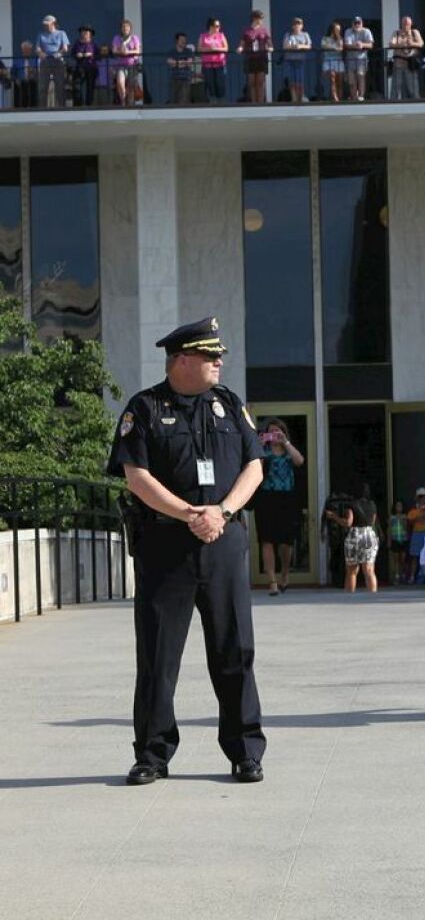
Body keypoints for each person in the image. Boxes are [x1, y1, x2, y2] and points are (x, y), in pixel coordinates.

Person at [107, 316, 267, 785]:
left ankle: (245, 752)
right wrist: (188, 513)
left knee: (235, 650)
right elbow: (136, 476)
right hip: (165, 546)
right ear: (181, 360)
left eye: (219, 355)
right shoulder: (147, 408)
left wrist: (220, 511)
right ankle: (152, 755)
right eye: (209, 355)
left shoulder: (229, 405)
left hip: (223, 543)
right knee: (158, 656)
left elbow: (255, 465)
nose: (219, 361)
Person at [252, 418, 305, 595]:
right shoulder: (264, 451)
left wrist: (286, 442)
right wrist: (258, 446)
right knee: (266, 540)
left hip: (287, 499)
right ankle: (272, 581)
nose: (273, 435)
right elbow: (253, 469)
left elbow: (300, 461)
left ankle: (285, 572)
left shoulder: (289, 451)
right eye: (270, 431)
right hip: (266, 498)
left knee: (285, 544)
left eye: (277, 431)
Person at [324, 483, 379, 592]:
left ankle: (350, 597)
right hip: (369, 535)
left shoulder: (352, 505)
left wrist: (334, 517)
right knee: (369, 570)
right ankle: (373, 596)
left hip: (355, 536)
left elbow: (348, 522)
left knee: (352, 571)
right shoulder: (372, 505)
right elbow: (373, 521)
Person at [238, 10, 272, 105]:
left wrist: (270, 48)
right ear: (255, 18)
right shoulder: (247, 31)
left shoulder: (264, 30)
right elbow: (242, 43)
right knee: (252, 82)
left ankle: (260, 103)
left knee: (260, 81)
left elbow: (269, 43)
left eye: (262, 19)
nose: (261, 20)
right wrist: (240, 48)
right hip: (250, 58)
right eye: (260, 18)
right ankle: (254, 103)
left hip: (261, 58)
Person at [35, 14, 70, 107]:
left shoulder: (61, 33)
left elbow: (65, 48)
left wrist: (58, 53)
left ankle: (62, 108)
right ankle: (42, 109)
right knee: (42, 87)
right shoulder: (41, 35)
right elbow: (37, 48)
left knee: (60, 86)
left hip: (58, 62)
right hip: (45, 62)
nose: (45, 26)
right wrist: (41, 54)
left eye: (48, 24)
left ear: (53, 23)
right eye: (45, 24)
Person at [389, 16, 424, 100]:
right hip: (398, 64)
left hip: (410, 65)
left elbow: (421, 44)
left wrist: (411, 43)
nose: (406, 25)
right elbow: (391, 44)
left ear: (411, 24)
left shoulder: (414, 32)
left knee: (413, 89)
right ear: (401, 24)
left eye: (408, 24)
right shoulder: (396, 33)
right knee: (395, 89)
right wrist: (401, 45)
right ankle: (392, 106)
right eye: (404, 23)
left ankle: (416, 105)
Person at [406, 488, 425, 584]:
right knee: (415, 556)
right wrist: (419, 515)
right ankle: (412, 577)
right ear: (420, 498)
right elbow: (409, 520)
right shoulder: (414, 510)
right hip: (416, 534)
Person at [281, 17, 312, 105]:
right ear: (292, 26)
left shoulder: (305, 34)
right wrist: (293, 47)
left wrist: (300, 46)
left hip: (300, 60)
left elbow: (309, 46)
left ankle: (300, 98)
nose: (297, 25)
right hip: (290, 60)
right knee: (292, 80)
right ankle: (294, 98)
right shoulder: (288, 35)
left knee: (300, 80)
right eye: (295, 24)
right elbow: (285, 46)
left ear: (302, 26)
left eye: (299, 24)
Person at [112, 19, 142, 106]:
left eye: (127, 27)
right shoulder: (117, 38)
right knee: (120, 83)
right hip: (121, 65)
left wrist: (128, 52)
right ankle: (123, 101)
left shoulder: (134, 38)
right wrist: (121, 52)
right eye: (123, 27)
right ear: (121, 29)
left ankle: (130, 104)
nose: (125, 28)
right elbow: (114, 50)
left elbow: (138, 51)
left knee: (131, 86)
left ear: (130, 29)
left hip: (132, 65)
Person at [198, 18, 229, 102]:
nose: (218, 28)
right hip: (207, 65)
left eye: (219, 26)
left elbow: (226, 48)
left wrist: (216, 48)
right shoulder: (203, 36)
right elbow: (199, 49)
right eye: (216, 26)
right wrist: (210, 49)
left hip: (220, 64)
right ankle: (213, 103)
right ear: (211, 26)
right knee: (210, 84)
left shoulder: (221, 35)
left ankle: (221, 103)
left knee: (220, 84)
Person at [344, 15, 374, 102]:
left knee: (361, 76)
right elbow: (346, 45)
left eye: (358, 23)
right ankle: (353, 97)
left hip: (361, 58)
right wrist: (356, 45)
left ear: (362, 23)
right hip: (351, 59)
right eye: (355, 23)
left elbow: (371, 44)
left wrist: (363, 45)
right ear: (352, 24)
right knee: (351, 79)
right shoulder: (348, 31)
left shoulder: (366, 31)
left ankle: (361, 96)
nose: (357, 25)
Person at [71, 25, 98, 107]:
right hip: (79, 68)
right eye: (83, 31)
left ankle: (89, 104)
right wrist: (77, 55)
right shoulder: (77, 44)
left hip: (91, 68)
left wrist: (90, 55)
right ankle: (78, 105)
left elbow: (98, 55)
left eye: (87, 31)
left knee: (90, 87)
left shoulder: (93, 44)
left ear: (90, 34)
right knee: (77, 86)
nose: (85, 33)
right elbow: (72, 54)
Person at [167, 32, 195, 105]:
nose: (184, 41)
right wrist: (182, 62)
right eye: (182, 39)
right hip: (174, 79)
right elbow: (170, 62)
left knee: (184, 101)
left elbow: (189, 63)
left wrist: (177, 63)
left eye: (185, 39)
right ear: (176, 41)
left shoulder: (188, 51)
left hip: (185, 79)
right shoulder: (172, 52)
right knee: (173, 100)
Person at [321, 21, 345, 103]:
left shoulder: (340, 39)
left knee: (340, 81)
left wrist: (338, 37)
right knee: (332, 79)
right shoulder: (325, 38)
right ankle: (335, 98)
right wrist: (334, 48)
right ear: (332, 29)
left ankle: (340, 98)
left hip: (338, 61)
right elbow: (324, 46)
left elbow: (341, 48)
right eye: (337, 29)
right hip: (328, 61)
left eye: (339, 29)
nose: (338, 31)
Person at [388, 499, 408, 584]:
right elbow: (389, 529)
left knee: (403, 559)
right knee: (396, 558)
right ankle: (396, 575)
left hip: (403, 539)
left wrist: (403, 520)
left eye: (400, 506)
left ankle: (403, 574)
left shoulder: (405, 517)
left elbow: (406, 527)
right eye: (397, 506)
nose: (399, 507)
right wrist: (389, 541)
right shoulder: (392, 517)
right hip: (395, 539)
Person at [13, 41, 38, 108]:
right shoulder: (17, 60)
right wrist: (16, 80)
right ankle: (21, 107)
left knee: (31, 84)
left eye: (28, 49)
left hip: (32, 82)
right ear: (22, 50)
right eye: (25, 49)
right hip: (21, 82)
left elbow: (39, 72)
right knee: (22, 84)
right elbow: (12, 73)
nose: (26, 51)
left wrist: (33, 71)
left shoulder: (35, 60)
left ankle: (33, 107)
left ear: (30, 51)